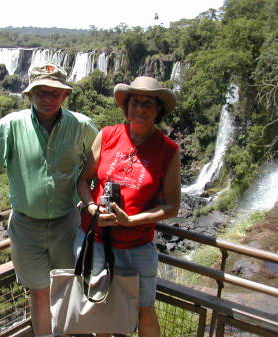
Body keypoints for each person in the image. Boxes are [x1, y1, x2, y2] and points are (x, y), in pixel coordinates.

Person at [0, 62, 98, 337]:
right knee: (38, 295)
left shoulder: (82, 126)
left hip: (67, 225)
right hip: (26, 229)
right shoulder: (10, 125)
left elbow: (100, 169)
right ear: (29, 94)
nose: (47, 99)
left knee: (69, 291)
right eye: (41, 92)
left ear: (65, 96)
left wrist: (92, 202)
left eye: (54, 93)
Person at [76, 76, 181, 337]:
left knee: (145, 309)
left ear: (158, 110)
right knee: (100, 307)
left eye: (148, 103)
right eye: (135, 102)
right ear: (127, 107)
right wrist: (91, 209)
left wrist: (131, 221)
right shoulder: (108, 135)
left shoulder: (168, 150)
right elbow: (82, 180)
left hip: (137, 245)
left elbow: (172, 207)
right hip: (98, 241)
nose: (141, 109)